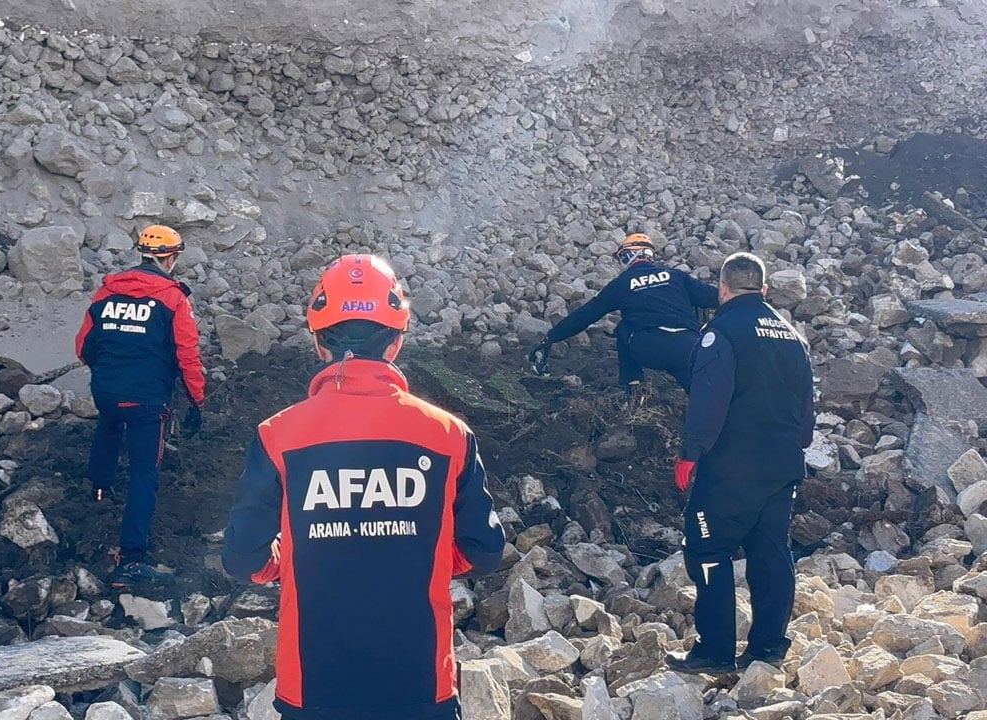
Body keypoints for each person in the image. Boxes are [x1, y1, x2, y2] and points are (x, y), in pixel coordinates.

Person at [222, 254, 506, 720]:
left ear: (319, 342)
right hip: (418, 686)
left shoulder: (278, 435)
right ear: (395, 342)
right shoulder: (449, 434)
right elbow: (485, 551)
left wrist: (290, 560)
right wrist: (424, 553)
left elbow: (242, 557)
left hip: (314, 689)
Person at [666, 252, 814, 674]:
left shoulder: (722, 331)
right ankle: (767, 649)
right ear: (765, 290)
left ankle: (714, 651)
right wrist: (796, 445)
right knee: (771, 552)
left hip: (731, 467)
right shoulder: (792, 336)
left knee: (707, 547)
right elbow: (807, 408)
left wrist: (691, 453)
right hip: (782, 467)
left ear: (723, 289)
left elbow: (709, 397)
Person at [74, 224, 206, 588]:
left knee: (110, 422)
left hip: (107, 391)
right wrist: (197, 399)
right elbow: (188, 355)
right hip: (147, 401)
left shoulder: (106, 292)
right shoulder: (173, 298)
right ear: (172, 257)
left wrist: (109, 371)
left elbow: (84, 345)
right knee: (145, 474)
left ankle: (99, 488)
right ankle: (131, 559)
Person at [528, 233, 719, 394]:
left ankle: (633, 388)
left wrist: (550, 338)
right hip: (690, 347)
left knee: (624, 328)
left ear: (629, 256)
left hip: (651, 348)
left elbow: (586, 315)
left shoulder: (622, 283)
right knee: (702, 398)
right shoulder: (676, 276)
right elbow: (715, 298)